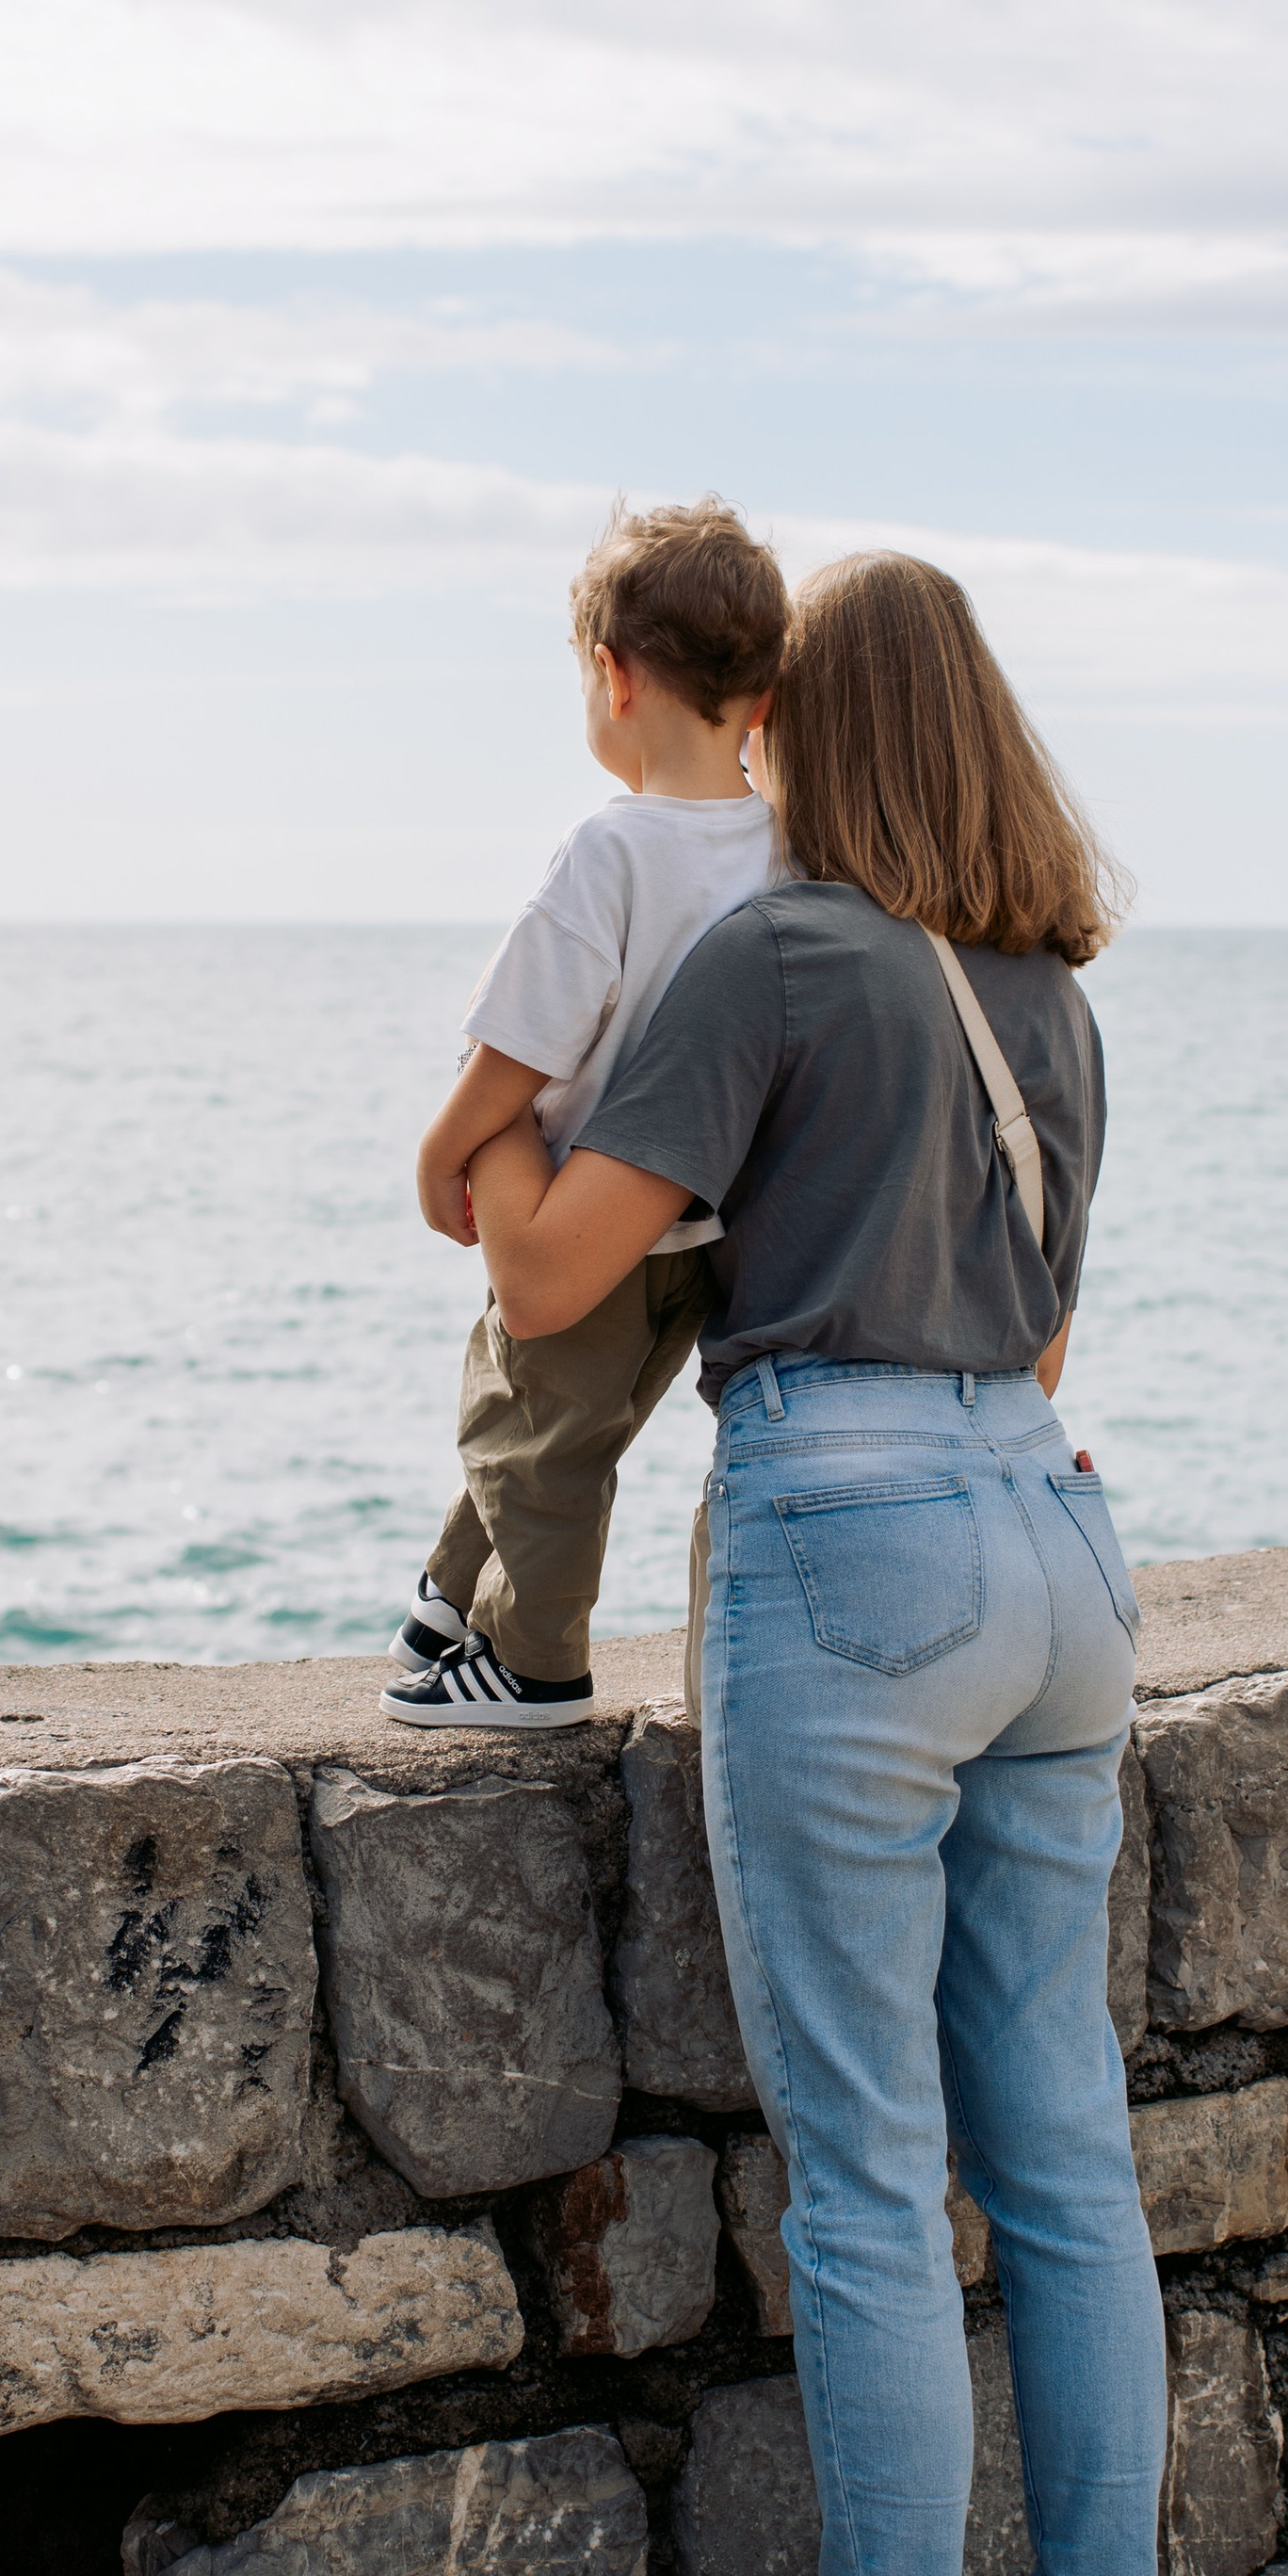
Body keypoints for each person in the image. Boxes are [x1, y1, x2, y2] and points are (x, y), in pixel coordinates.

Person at [460, 551, 1163, 2576]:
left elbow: (550, 1270)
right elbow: (1037, 1339)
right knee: (1058, 2149)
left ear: (800, 731)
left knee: (865, 2171)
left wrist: (484, 1142)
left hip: (850, 1543)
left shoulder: (772, 955)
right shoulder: (1048, 1000)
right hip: (1050, 1541)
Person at [382, 495, 787, 1731]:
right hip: (703, 1227)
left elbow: (522, 1040)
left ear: (613, 676)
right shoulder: (790, 849)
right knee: (565, 1426)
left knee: (528, 1428)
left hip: (584, 1213)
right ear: (763, 693)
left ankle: (536, 1660)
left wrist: (441, 1153)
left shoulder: (612, 852)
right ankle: (457, 1597)